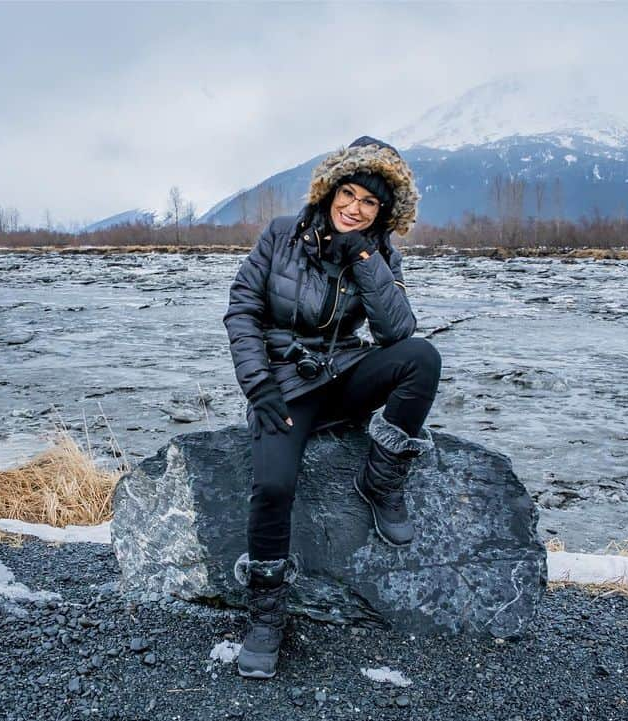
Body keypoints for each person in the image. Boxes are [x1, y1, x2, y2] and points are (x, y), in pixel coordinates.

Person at [223, 136, 442, 679]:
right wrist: (259, 387)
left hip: (344, 376)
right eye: (348, 194)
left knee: (421, 358)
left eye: (369, 203)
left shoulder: (377, 251)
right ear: (329, 192)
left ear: (382, 212)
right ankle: (266, 614)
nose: (355, 208)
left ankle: (382, 479)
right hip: (285, 387)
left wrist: (364, 255)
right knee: (273, 486)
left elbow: (397, 330)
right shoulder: (280, 235)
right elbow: (242, 312)